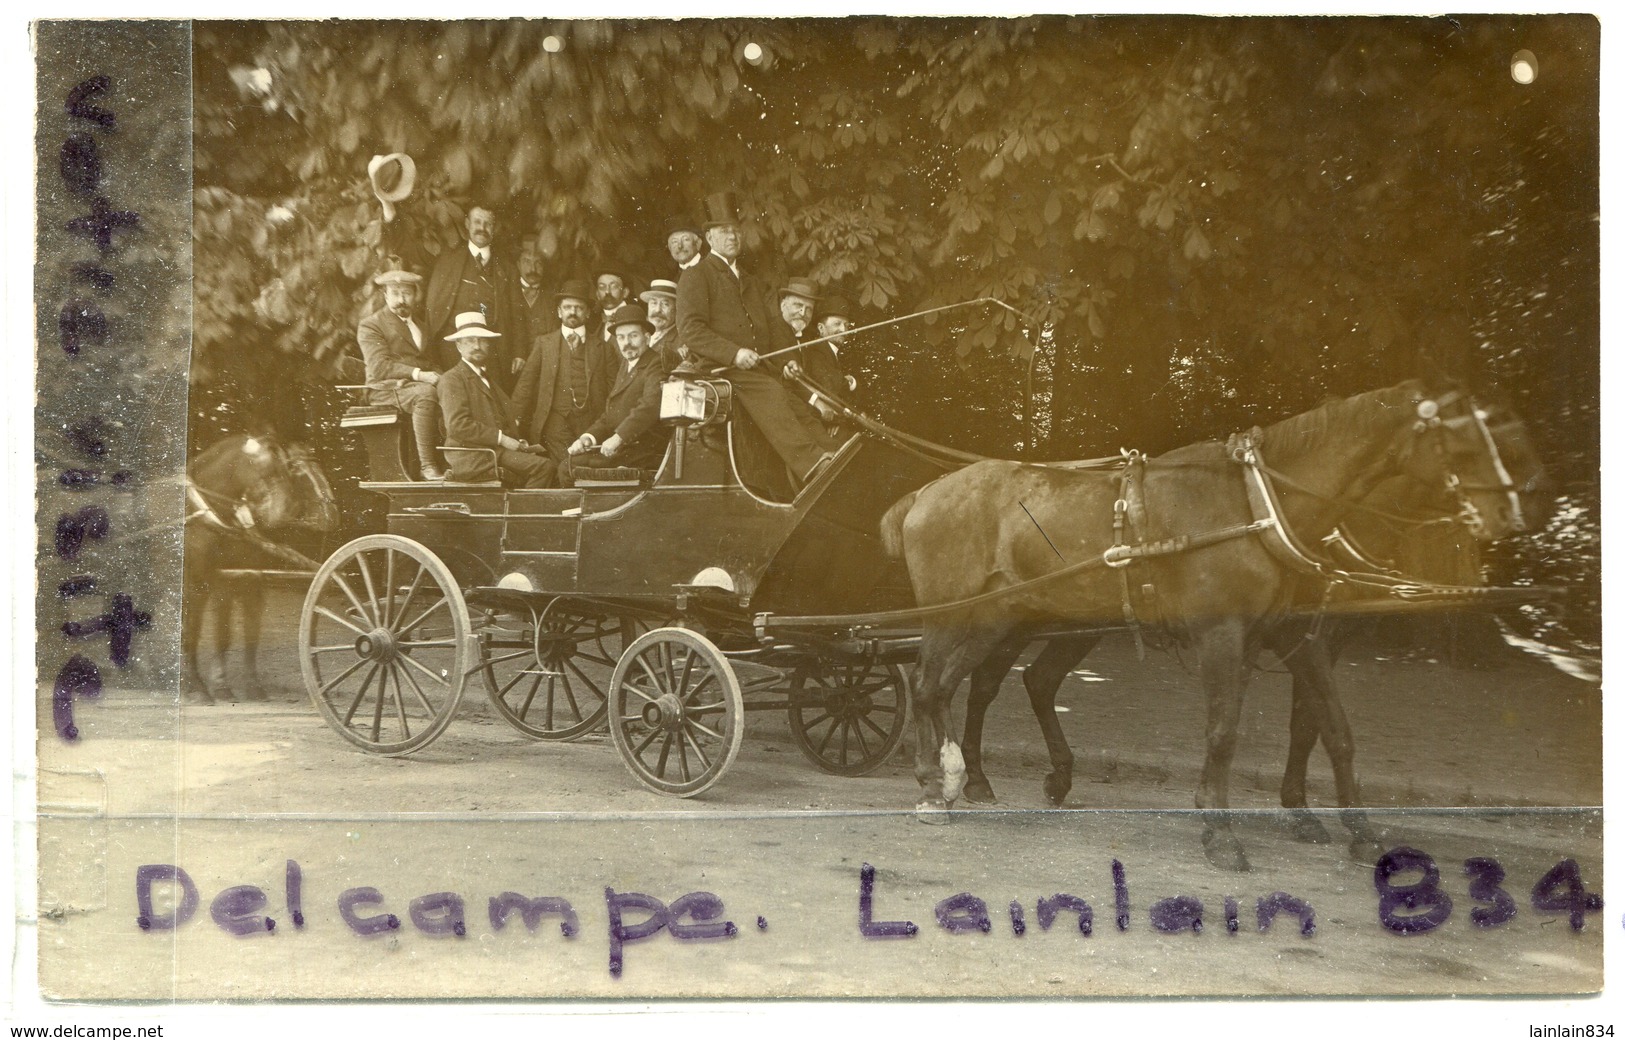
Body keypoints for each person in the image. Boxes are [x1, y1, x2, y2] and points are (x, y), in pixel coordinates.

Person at [677, 193, 835, 487]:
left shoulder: (749, 281)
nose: (733, 236)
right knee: (772, 392)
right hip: (720, 369)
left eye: (736, 231)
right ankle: (812, 464)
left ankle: (832, 455)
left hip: (756, 369)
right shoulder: (696, 276)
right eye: (725, 231)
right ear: (709, 237)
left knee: (795, 399)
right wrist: (734, 354)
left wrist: (785, 361)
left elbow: (773, 330)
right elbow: (691, 330)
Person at [559, 303, 676, 485]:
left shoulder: (655, 364)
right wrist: (587, 438)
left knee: (569, 466)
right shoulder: (627, 365)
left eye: (633, 336)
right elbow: (610, 415)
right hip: (626, 448)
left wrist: (618, 438)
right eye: (621, 337)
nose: (626, 343)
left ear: (646, 337)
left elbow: (650, 406)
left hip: (643, 450)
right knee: (568, 463)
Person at [436, 312, 554, 488]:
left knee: (546, 460)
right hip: (474, 456)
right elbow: (458, 425)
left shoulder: (487, 378)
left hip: (493, 451)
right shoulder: (452, 379)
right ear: (459, 346)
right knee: (544, 467)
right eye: (470, 340)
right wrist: (502, 439)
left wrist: (517, 442)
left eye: (482, 340)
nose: (477, 346)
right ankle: (520, 514)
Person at [510, 279, 616, 464]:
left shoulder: (604, 348)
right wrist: (513, 422)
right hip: (554, 421)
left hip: (591, 422)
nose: (572, 312)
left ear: (588, 313)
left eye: (578, 307)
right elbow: (526, 385)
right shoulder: (544, 344)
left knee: (582, 466)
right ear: (559, 312)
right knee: (566, 464)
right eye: (567, 307)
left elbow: (614, 390)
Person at [356, 264, 446, 480]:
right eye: (395, 294)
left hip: (411, 387)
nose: (401, 300)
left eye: (406, 293)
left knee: (455, 390)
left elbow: (429, 363)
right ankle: (427, 467)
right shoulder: (371, 325)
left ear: (416, 296)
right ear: (385, 295)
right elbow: (379, 366)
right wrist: (418, 374)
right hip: (383, 389)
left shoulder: (422, 327)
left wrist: (445, 378)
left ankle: (457, 461)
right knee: (426, 394)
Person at [423, 205, 528, 387]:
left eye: (488, 224)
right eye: (477, 222)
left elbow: (517, 312)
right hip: (452, 346)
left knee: (490, 398)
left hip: (491, 350)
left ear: (494, 229)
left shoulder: (507, 267)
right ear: (467, 224)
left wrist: (519, 351)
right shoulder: (447, 257)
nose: (482, 228)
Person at [784, 292, 859, 425]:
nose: (843, 329)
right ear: (821, 328)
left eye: (846, 325)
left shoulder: (829, 352)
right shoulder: (817, 350)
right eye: (837, 324)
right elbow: (830, 388)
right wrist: (851, 382)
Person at [518, 235, 558, 338]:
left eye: (538, 263)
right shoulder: (507, 293)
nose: (533, 269)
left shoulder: (554, 296)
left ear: (544, 266)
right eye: (527, 262)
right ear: (518, 264)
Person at [640, 278, 684, 366]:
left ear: (676, 308)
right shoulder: (639, 332)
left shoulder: (682, 341)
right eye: (654, 303)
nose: (658, 310)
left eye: (665, 304)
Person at [593, 268, 631, 343]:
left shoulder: (638, 318)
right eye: (602, 287)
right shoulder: (593, 323)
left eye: (614, 286)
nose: (607, 292)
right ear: (597, 294)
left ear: (625, 292)